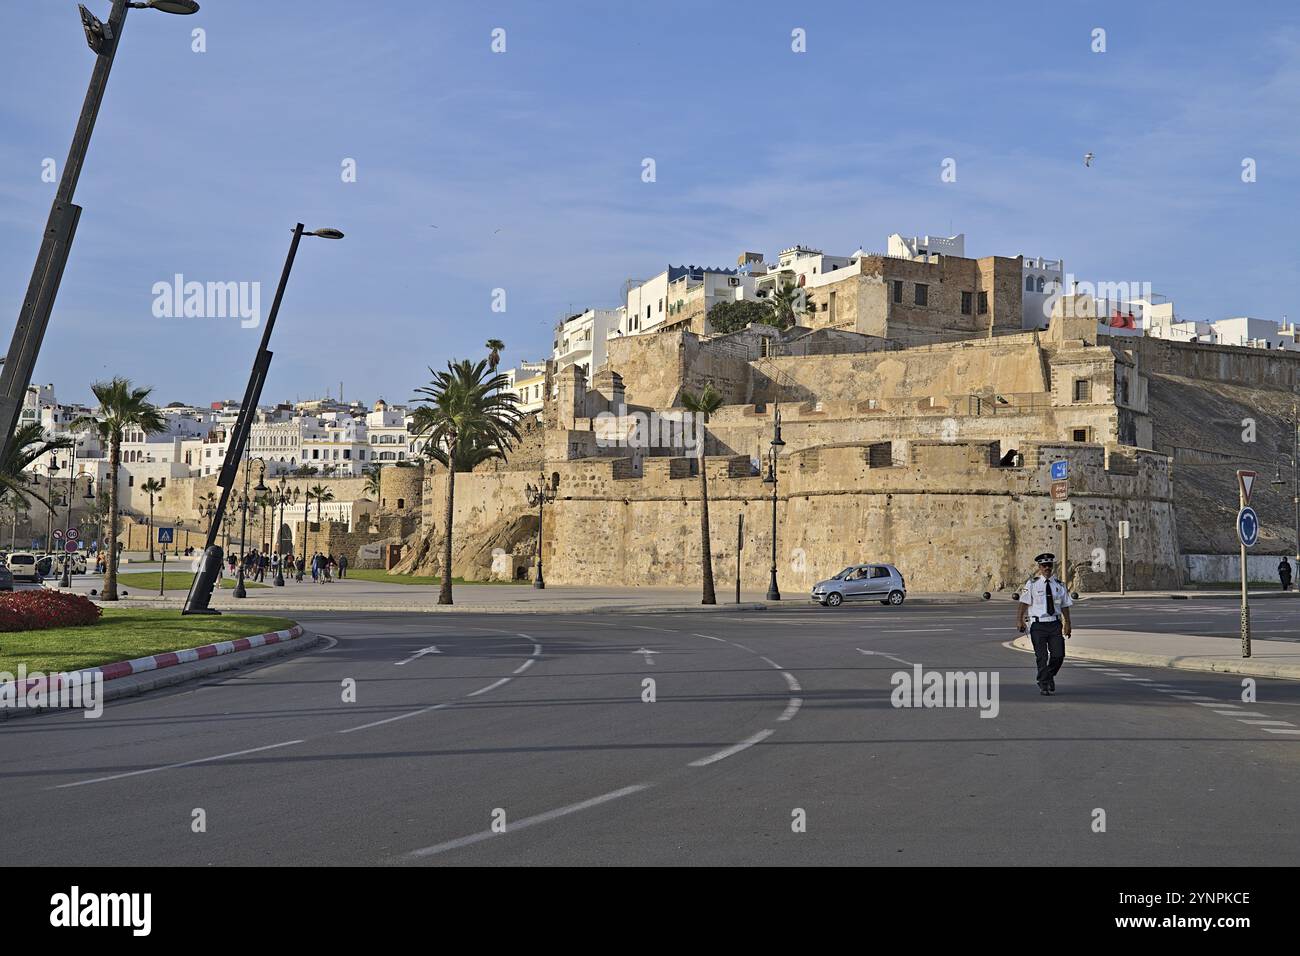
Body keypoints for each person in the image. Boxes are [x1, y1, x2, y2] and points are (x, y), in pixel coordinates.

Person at [1016, 552, 1073, 696]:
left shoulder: (1059, 585)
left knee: (1058, 655)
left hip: (1054, 624)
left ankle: (1048, 676)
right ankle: (1044, 684)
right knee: (1041, 656)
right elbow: (1024, 602)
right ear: (1039, 567)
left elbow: (1065, 605)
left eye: (1049, 565)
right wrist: (1019, 619)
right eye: (1044, 565)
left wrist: (1068, 624)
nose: (1047, 568)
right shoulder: (1032, 584)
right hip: (1038, 625)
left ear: (1052, 566)